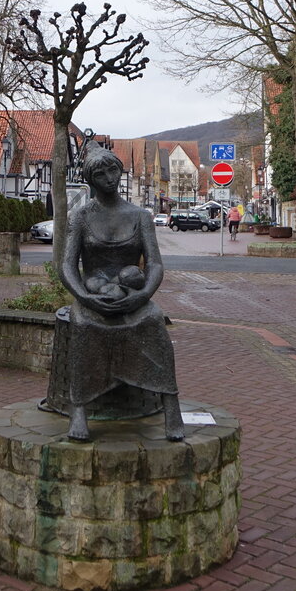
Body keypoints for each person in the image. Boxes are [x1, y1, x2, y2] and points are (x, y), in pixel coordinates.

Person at [58, 147, 184, 442]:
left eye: (113, 171)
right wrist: (84, 297)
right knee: (82, 324)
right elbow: (67, 265)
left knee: (153, 319)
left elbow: (154, 263)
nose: (109, 178)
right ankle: (79, 407)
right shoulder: (80, 216)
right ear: (90, 179)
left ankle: (171, 404)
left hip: (132, 294)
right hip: (94, 297)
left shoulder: (140, 216)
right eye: (100, 174)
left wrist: (143, 296)